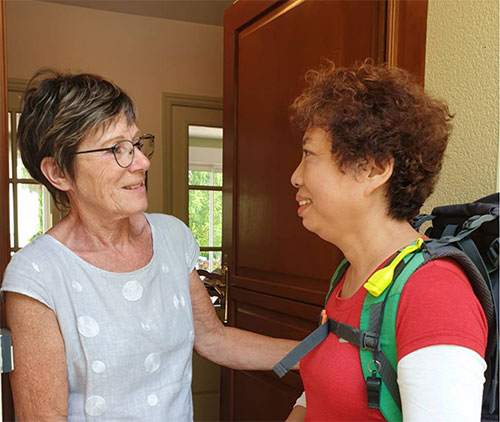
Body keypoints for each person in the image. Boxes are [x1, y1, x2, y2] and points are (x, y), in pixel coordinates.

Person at [1, 69, 297, 421]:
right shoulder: (37, 275)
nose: (142, 162)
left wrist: (313, 354)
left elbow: (213, 338)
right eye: (117, 150)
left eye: (137, 145)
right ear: (59, 173)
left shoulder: (172, 237)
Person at [285, 61, 488, 421]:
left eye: (309, 154)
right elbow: (319, 395)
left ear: (374, 168)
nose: (295, 176)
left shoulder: (434, 294)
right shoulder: (348, 276)